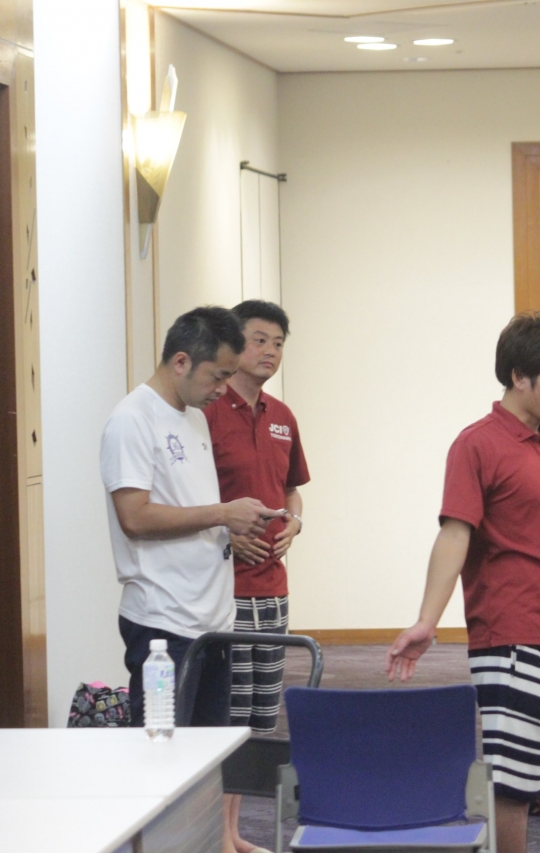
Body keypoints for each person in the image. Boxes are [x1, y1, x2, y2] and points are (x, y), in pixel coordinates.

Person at [386, 312, 540, 853]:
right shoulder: (477, 444)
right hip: (511, 640)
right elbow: (454, 534)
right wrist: (426, 620)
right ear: (519, 376)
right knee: (514, 785)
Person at [101, 306, 278, 853]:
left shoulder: (195, 417)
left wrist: (230, 531)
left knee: (205, 761)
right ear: (181, 362)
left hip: (211, 620)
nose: (223, 389)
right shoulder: (132, 420)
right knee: (161, 762)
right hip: (163, 626)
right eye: (217, 376)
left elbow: (190, 509)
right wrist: (222, 513)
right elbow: (135, 517)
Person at [205, 300, 310, 853]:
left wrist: (296, 520)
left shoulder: (282, 416)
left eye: (279, 343)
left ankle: (232, 831)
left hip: (273, 587)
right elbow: (190, 498)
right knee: (226, 715)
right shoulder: (206, 410)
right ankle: (214, 834)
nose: (270, 351)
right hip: (224, 589)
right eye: (259, 339)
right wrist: (225, 529)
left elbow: (291, 489)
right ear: (232, 344)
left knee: (258, 718)